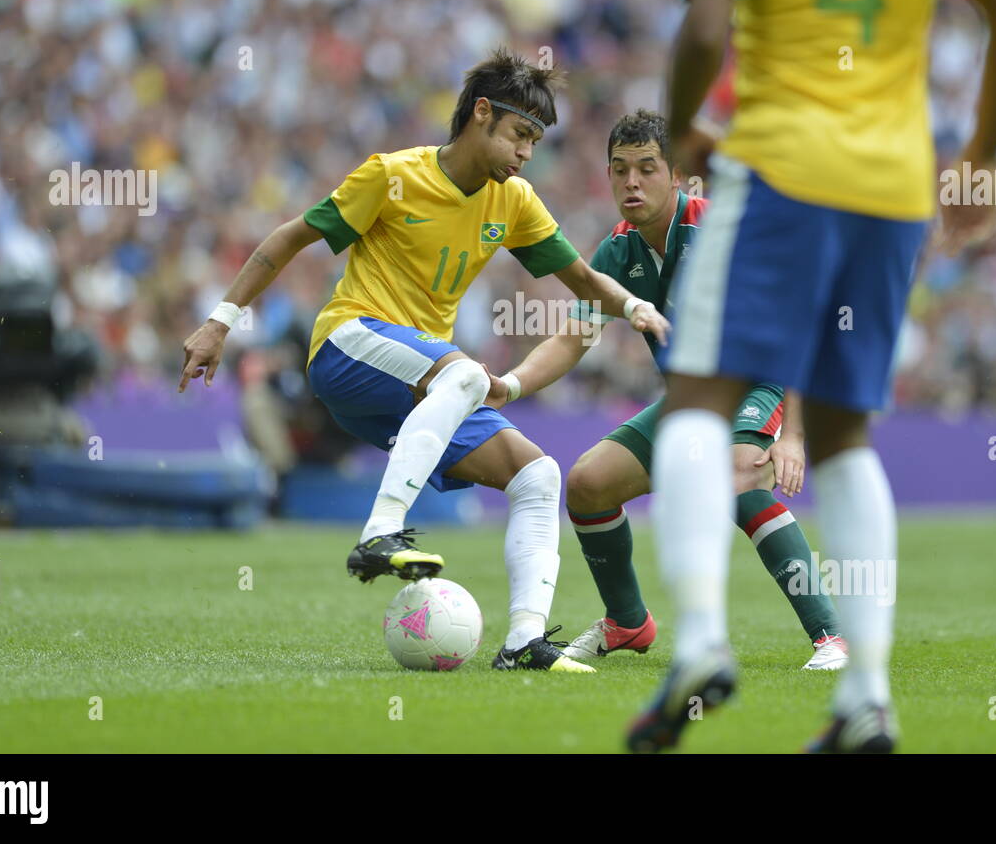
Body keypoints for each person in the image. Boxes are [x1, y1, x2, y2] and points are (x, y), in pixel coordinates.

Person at [630, 0, 996, 752]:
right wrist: (984, 155)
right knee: (848, 436)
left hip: (782, 170)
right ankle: (866, 694)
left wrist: (680, 130)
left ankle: (700, 639)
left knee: (698, 398)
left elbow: (705, 29)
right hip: (894, 189)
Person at [179, 47, 670, 673]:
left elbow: (579, 276)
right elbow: (288, 239)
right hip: (348, 345)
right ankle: (378, 533)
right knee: (465, 371)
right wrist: (220, 322)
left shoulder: (513, 201)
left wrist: (633, 307)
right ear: (481, 114)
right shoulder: (391, 175)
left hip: (423, 391)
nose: (526, 154)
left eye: (536, 142)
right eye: (520, 135)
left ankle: (524, 642)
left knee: (539, 475)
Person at [487, 110, 846, 671]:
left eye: (647, 169)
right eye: (620, 170)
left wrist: (793, 436)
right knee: (586, 485)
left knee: (734, 469)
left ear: (675, 175)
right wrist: (508, 385)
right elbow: (571, 341)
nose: (632, 183)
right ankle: (628, 623)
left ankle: (832, 635)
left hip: (764, 381)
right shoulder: (616, 252)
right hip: (692, 401)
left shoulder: (722, 233)